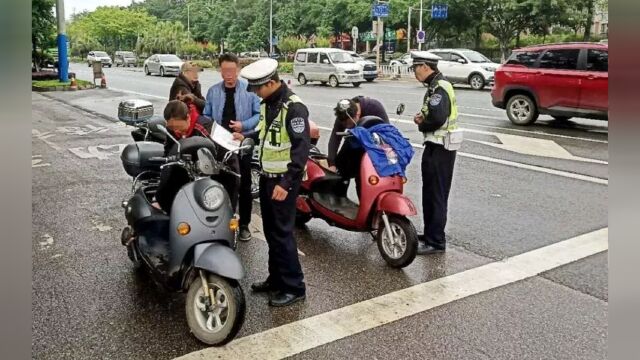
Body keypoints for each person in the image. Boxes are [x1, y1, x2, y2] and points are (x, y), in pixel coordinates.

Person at [238, 58, 309, 307]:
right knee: (271, 232)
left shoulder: (294, 107)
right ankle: (276, 278)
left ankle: (294, 286)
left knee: (283, 234)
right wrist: (243, 135)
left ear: (271, 83)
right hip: (269, 179)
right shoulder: (269, 104)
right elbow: (264, 133)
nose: (256, 92)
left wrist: (287, 183)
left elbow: (301, 150)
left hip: (282, 183)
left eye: (258, 88)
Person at [203, 53, 261, 242]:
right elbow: (206, 115)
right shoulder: (213, 91)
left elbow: (259, 116)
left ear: (238, 70)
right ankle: (220, 222)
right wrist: (213, 130)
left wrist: (242, 127)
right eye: (225, 70)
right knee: (219, 183)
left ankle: (244, 224)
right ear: (220, 70)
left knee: (244, 185)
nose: (229, 74)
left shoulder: (250, 91)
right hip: (219, 145)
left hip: (242, 144)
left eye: (232, 70)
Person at [410, 51, 459, 255]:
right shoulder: (434, 86)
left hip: (440, 148)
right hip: (435, 146)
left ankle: (436, 241)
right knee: (430, 193)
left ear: (425, 67)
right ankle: (430, 233)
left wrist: (422, 123)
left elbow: (437, 118)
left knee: (436, 195)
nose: (414, 72)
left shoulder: (440, 88)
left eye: (415, 68)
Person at [153, 100, 212, 212]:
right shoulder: (171, 130)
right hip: (183, 167)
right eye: (172, 128)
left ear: (188, 117)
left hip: (206, 169)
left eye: (179, 127)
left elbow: (216, 151)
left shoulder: (204, 127)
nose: (177, 131)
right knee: (169, 170)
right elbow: (168, 152)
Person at [328, 97, 389, 197]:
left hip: (377, 144)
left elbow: (387, 133)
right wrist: (332, 163)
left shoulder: (374, 108)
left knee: (367, 174)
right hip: (355, 141)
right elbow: (334, 138)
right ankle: (339, 197)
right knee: (341, 164)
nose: (347, 127)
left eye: (348, 123)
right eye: (344, 124)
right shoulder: (344, 113)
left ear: (357, 115)